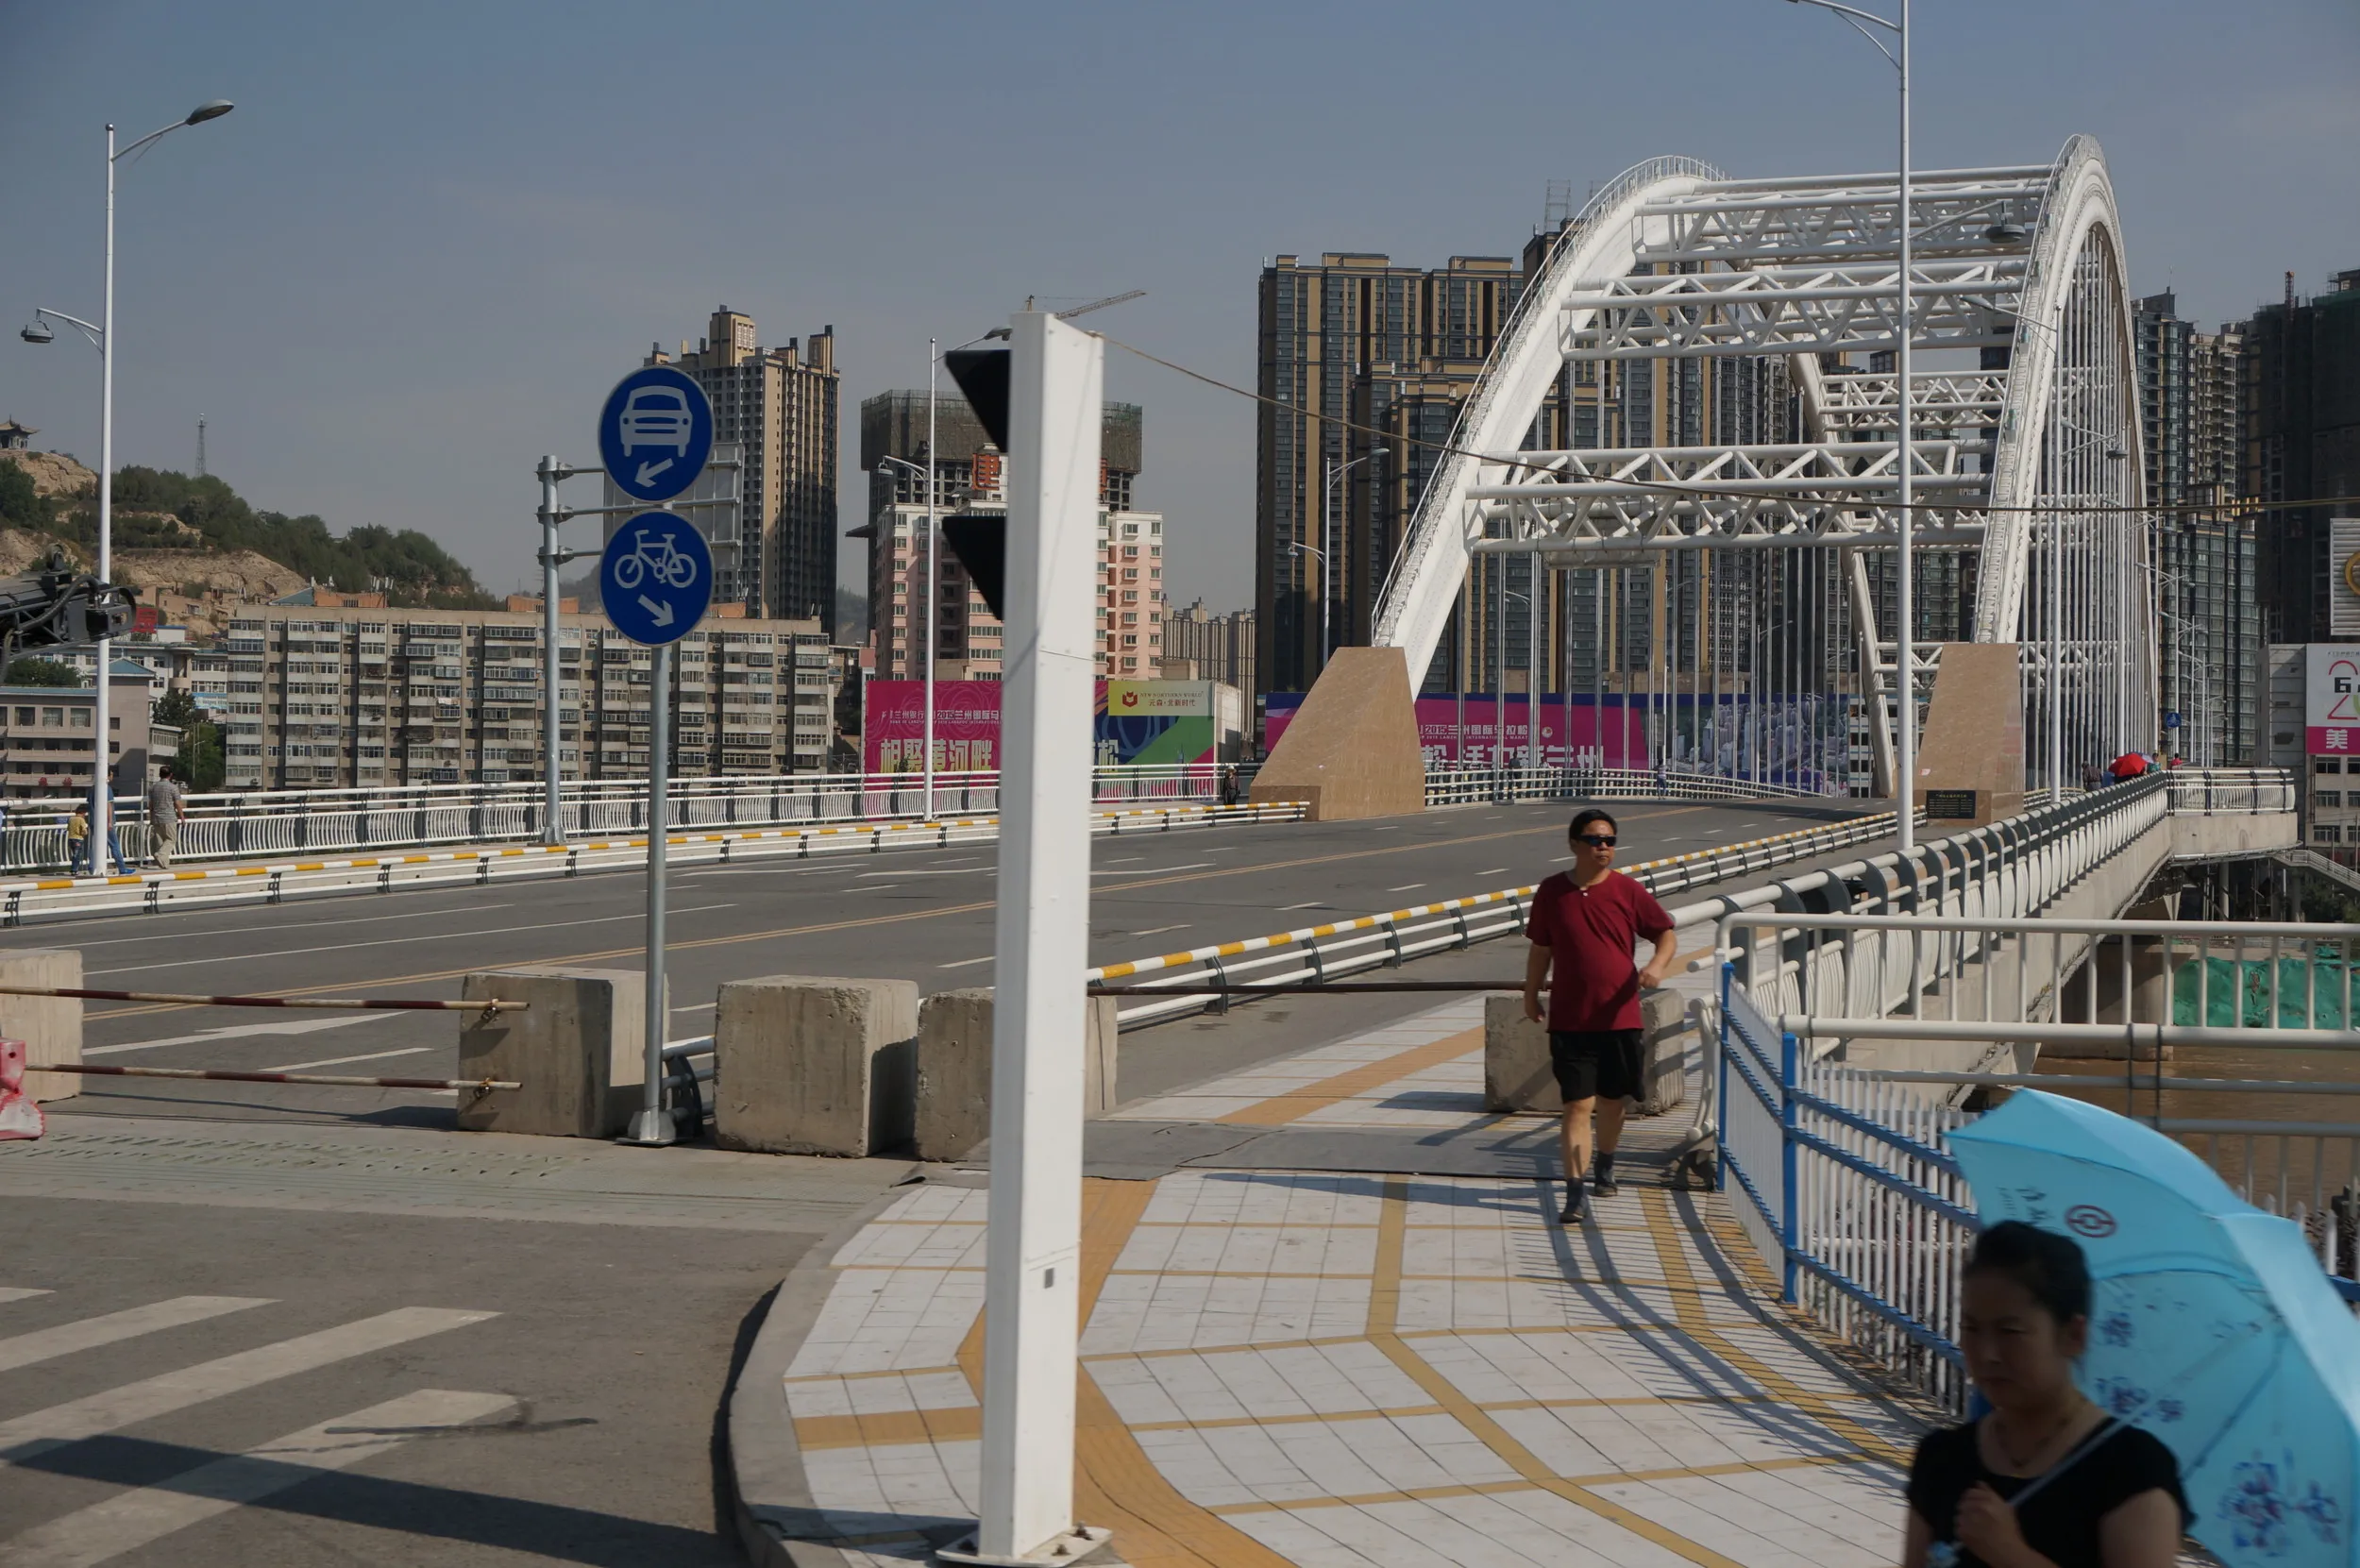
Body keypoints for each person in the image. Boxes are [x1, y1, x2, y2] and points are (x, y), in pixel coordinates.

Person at [1905, 1222, 2187, 1568]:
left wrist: (2010, 1554)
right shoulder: (1942, 1459)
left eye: (2010, 1331)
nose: (1987, 1352)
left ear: (2073, 1335)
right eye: (1972, 1328)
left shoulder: (2131, 1470)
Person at [1521, 806, 1677, 1222]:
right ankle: (1575, 1193)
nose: (1603, 847)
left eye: (1609, 841)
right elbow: (1541, 948)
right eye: (1594, 840)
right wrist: (1531, 994)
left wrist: (1657, 967)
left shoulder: (1627, 891)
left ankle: (1605, 1164)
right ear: (1574, 844)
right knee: (1576, 1105)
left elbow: (1665, 934)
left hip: (1620, 1017)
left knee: (1612, 1103)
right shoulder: (1553, 891)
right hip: (1571, 1019)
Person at [146, 764, 183, 870]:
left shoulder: (153, 787)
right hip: (169, 817)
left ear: (160, 775)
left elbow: (151, 805)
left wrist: (151, 817)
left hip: (156, 817)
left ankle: (164, 864)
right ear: (170, 775)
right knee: (171, 839)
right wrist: (182, 817)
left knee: (160, 840)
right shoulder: (173, 787)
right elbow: (177, 804)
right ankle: (161, 855)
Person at [66, 801, 90, 876]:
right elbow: (84, 831)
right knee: (77, 855)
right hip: (78, 839)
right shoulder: (81, 820)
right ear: (83, 813)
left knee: (74, 854)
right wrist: (85, 833)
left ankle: (73, 869)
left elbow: (68, 829)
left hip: (70, 838)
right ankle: (74, 870)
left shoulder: (71, 819)